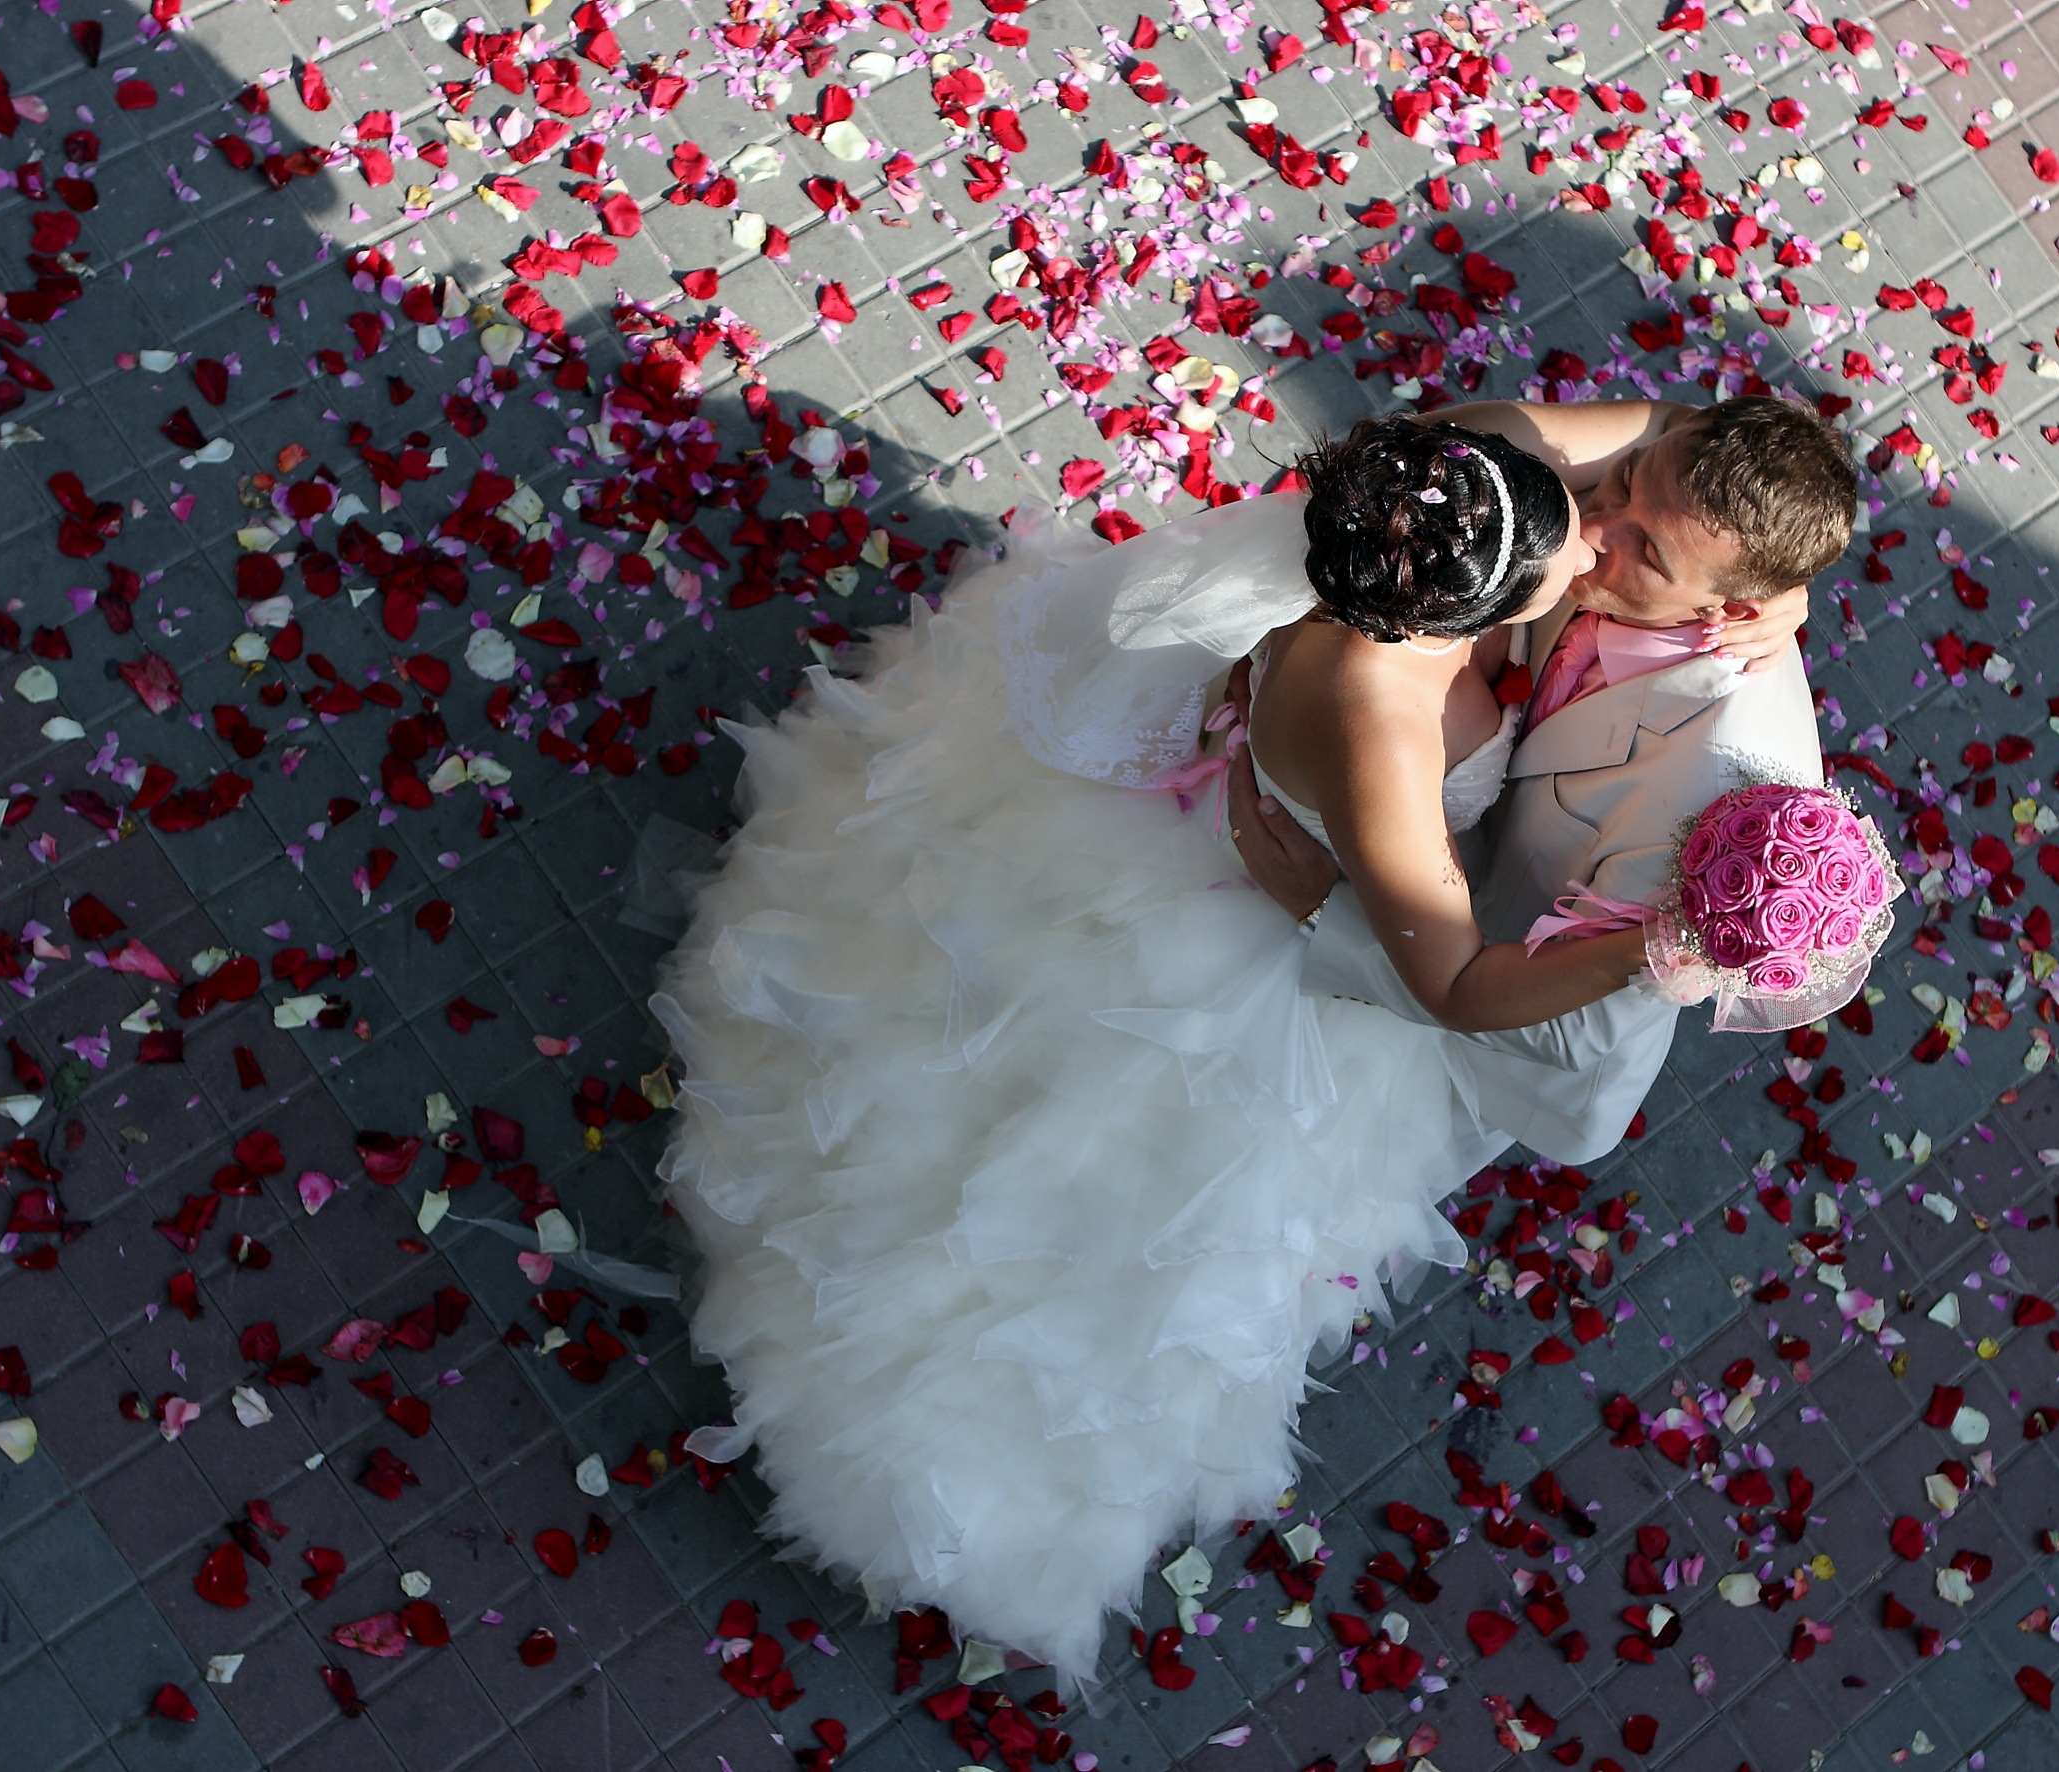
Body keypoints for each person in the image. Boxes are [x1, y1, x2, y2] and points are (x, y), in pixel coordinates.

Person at [648, 402, 1820, 1687]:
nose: (1592, 526)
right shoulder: (1383, 711)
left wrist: (1787, 597)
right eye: (1598, 508)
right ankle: (947, 1475)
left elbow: (1669, 456)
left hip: (1252, 834)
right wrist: (1659, 944)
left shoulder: (1458, 517)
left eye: (1635, 530)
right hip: (1264, 945)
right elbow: (1453, 984)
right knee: (1101, 1210)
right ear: (1466, 591)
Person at [1230, 393, 1860, 1161]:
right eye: (1622, 479)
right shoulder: (1538, 522)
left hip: (1476, 1023)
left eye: (1647, 550)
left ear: (1739, 607)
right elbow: (1664, 427)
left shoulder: (1723, 804)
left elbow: (1572, 1031)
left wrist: (1324, 915)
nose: (1590, 533)